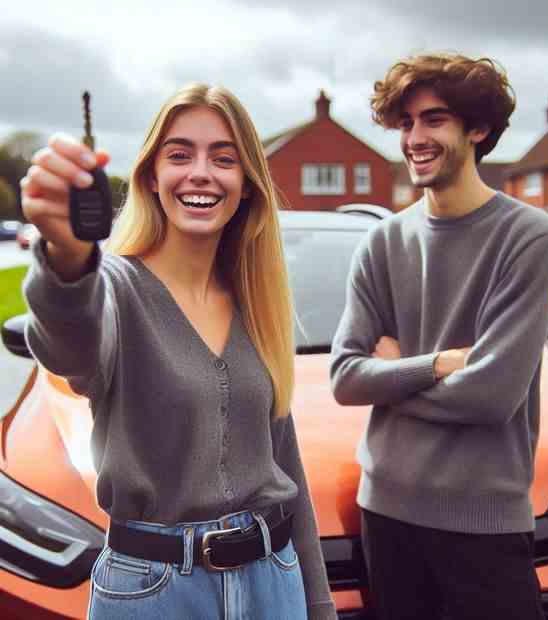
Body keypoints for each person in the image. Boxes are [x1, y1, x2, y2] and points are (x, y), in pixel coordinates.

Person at [20, 83, 337, 620]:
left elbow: (286, 466)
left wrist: (319, 604)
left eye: (223, 158)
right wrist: (67, 257)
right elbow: (69, 349)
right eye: (179, 154)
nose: (200, 173)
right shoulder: (115, 287)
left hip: (273, 582)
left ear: (247, 185)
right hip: (154, 593)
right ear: (151, 176)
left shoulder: (256, 300)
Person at [330, 53, 548, 620]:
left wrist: (392, 372)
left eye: (433, 120)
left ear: (478, 128)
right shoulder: (381, 243)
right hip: (385, 516)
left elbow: (491, 397)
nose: (414, 138)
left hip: (482, 524)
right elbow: (344, 378)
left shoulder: (531, 236)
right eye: (406, 124)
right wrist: (436, 364)